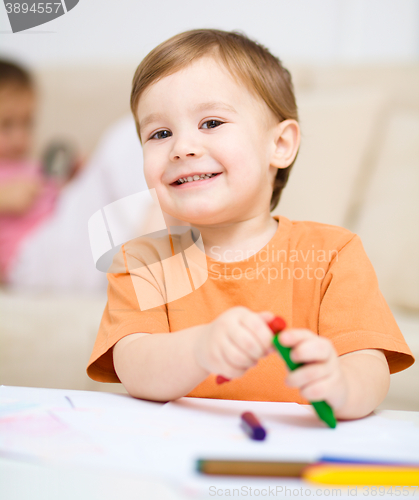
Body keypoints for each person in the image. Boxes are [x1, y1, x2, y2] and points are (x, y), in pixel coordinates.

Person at [87, 29, 414, 420]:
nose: (182, 147)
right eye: (160, 133)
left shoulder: (332, 254)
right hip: (177, 452)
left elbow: (370, 367)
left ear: (279, 145)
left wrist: (342, 384)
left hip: (295, 459)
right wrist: (200, 348)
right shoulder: (144, 259)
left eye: (210, 122)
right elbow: (134, 366)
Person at [0, 59, 60, 282]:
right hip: (24, 258)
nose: (20, 138)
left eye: (27, 123)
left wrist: (74, 175)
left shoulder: (33, 166)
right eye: (6, 125)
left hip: (60, 233)